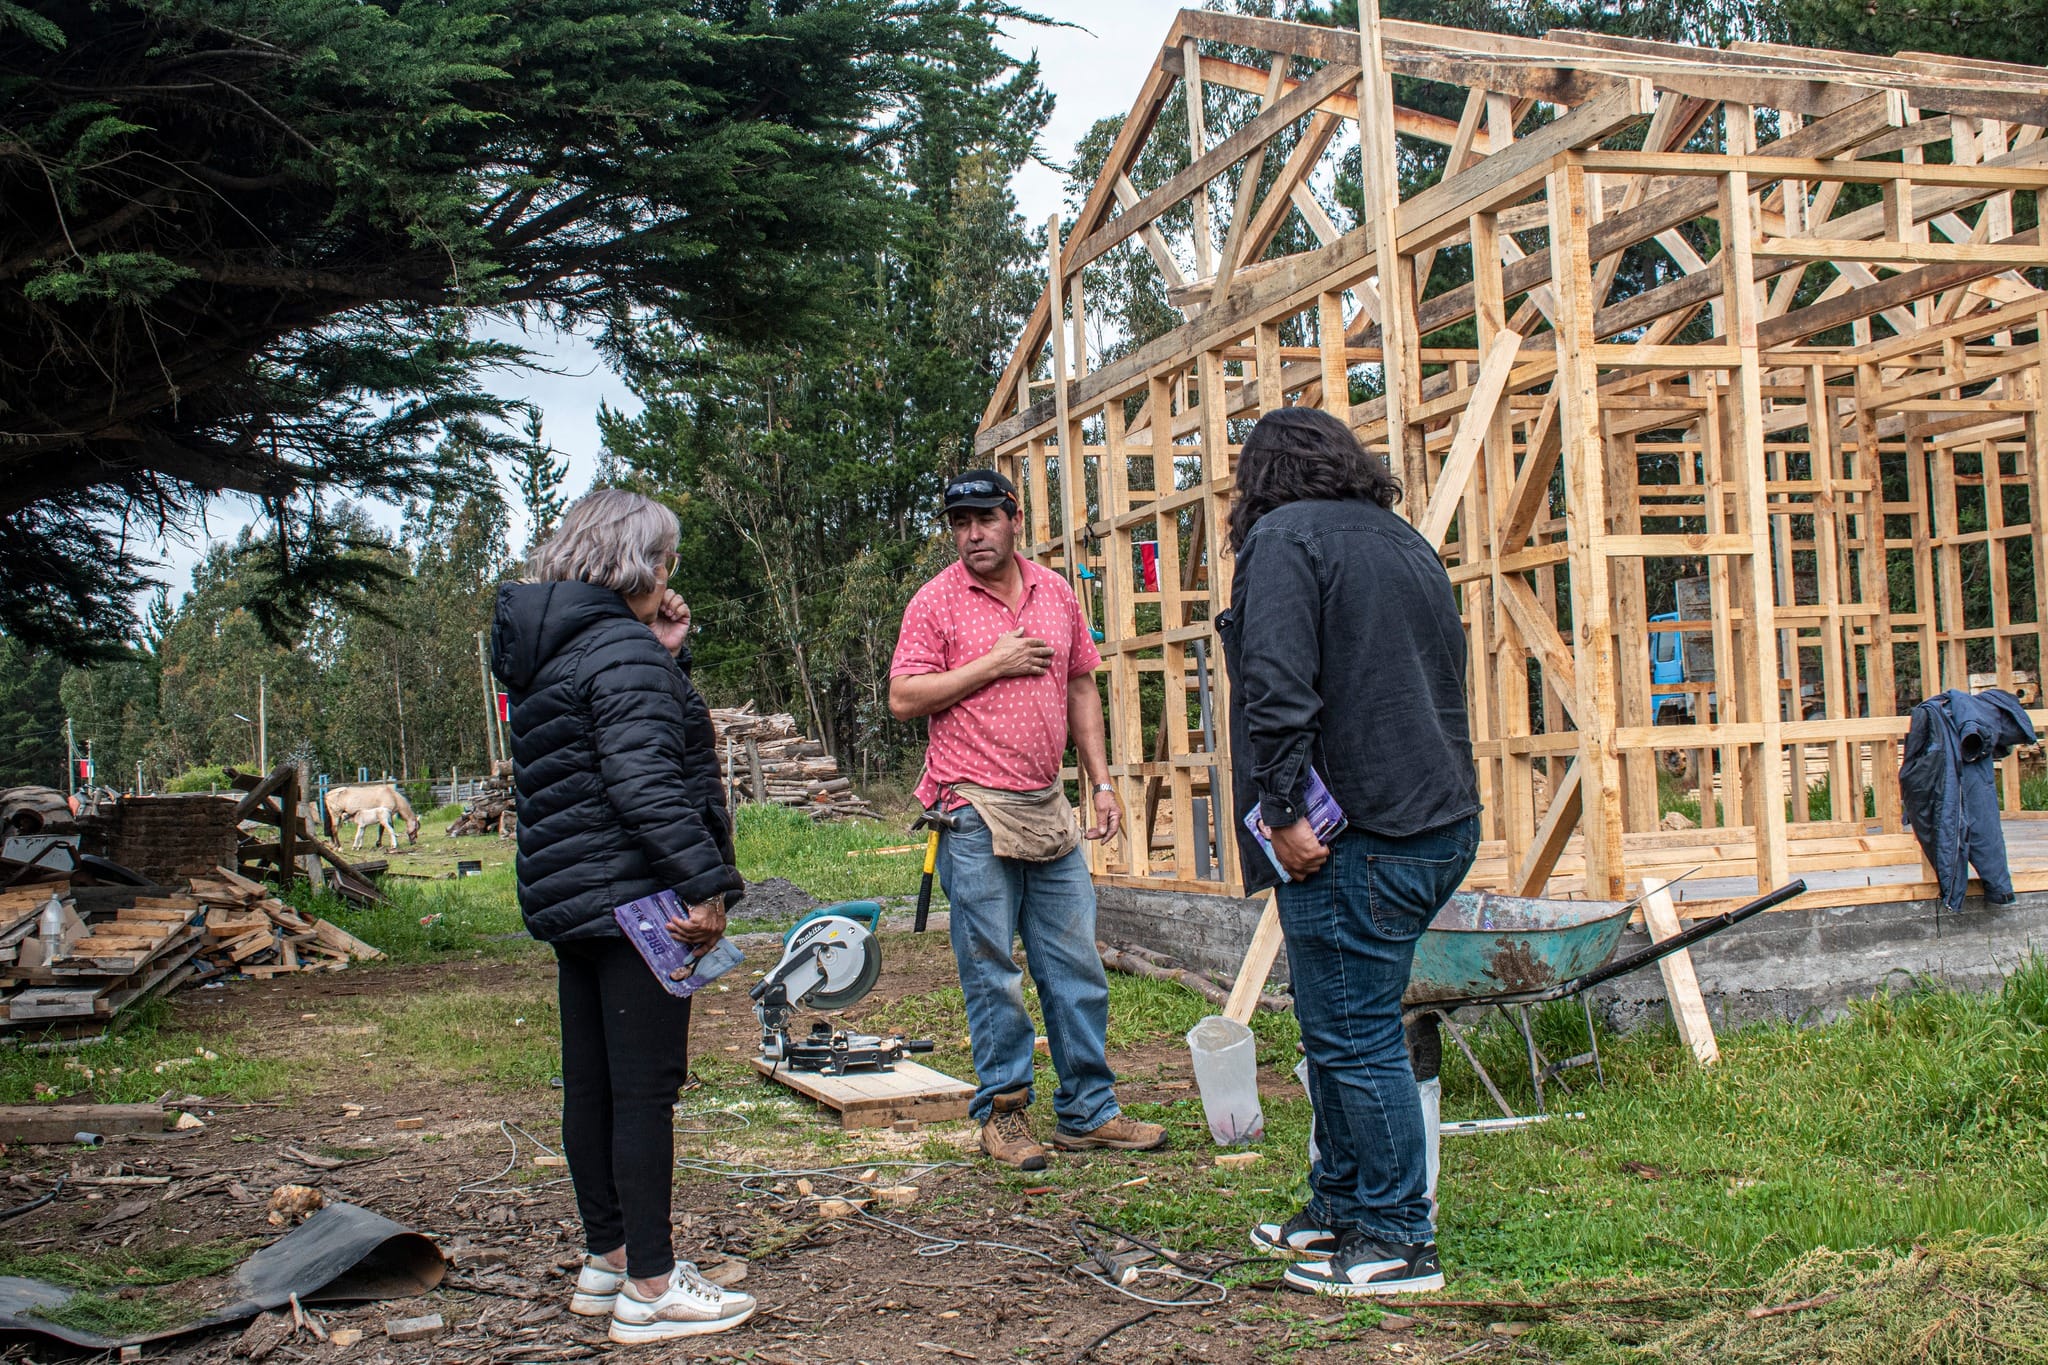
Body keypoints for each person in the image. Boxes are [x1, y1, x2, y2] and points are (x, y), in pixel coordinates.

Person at [1218, 408, 1480, 1297]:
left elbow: (1277, 683)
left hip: (1355, 833)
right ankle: (1339, 1203)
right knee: (1332, 1016)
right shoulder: (1402, 539)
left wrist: (1284, 806)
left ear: (1260, 480)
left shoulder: (1286, 538)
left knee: (1356, 1028)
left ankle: (1401, 1236)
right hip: (1435, 820)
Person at [490, 489, 756, 1344]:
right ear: (642, 565)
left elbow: (613, 748)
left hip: (573, 898)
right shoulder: (620, 653)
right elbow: (648, 782)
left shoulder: (557, 652)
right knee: (645, 1092)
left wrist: (664, 650)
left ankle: (607, 1259)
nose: (672, 576)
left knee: (593, 1086)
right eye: (667, 559)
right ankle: (651, 1285)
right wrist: (706, 884)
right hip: (641, 898)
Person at [888, 469, 1167, 1170]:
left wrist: (1100, 783)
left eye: (984, 518)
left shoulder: (1056, 593)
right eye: (959, 522)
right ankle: (1005, 1112)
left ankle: (1087, 1111)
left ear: (1015, 518)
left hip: (1046, 803)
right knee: (992, 967)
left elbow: (1079, 685)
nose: (972, 533)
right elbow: (902, 696)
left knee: (1074, 961)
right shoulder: (936, 602)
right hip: (971, 807)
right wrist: (993, 663)